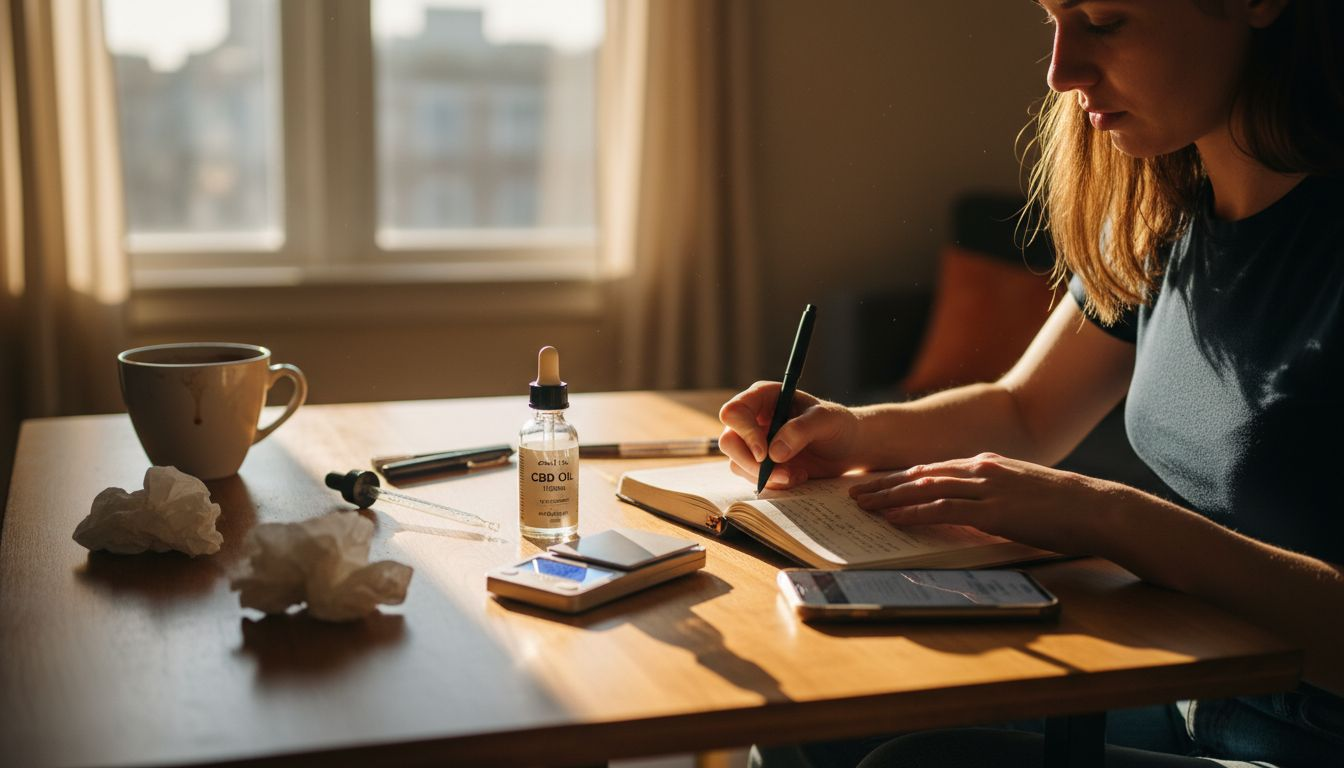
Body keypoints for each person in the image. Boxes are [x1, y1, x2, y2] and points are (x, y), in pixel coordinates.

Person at [718, 0, 1344, 765]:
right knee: (808, 722)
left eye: (1105, 21)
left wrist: (1108, 516)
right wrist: (850, 432)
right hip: (1190, 686)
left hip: (1305, 734)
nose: (1060, 72)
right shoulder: (1167, 216)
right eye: (1054, 21)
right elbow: (1026, 411)